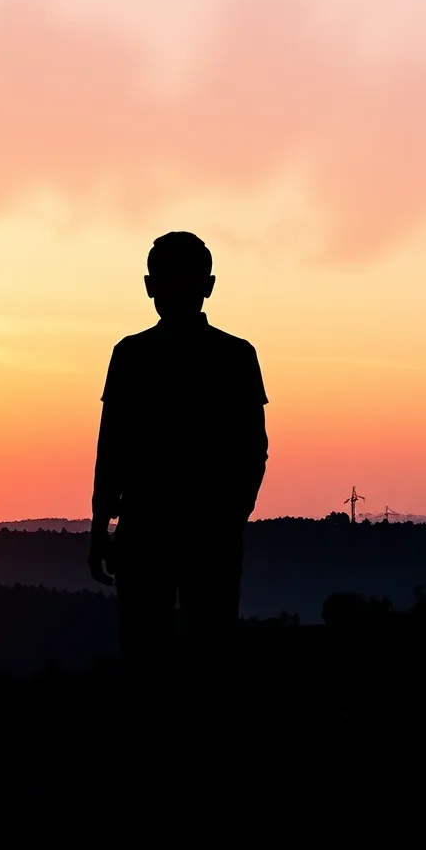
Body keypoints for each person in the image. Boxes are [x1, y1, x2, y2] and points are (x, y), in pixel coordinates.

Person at [88, 232, 268, 671]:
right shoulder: (234, 355)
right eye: (167, 279)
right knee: (204, 652)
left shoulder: (133, 354)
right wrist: (231, 517)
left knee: (150, 654)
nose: (172, 290)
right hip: (190, 531)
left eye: (179, 279)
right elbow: (254, 451)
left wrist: (100, 528)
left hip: (156, 529)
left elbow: (111, 450)